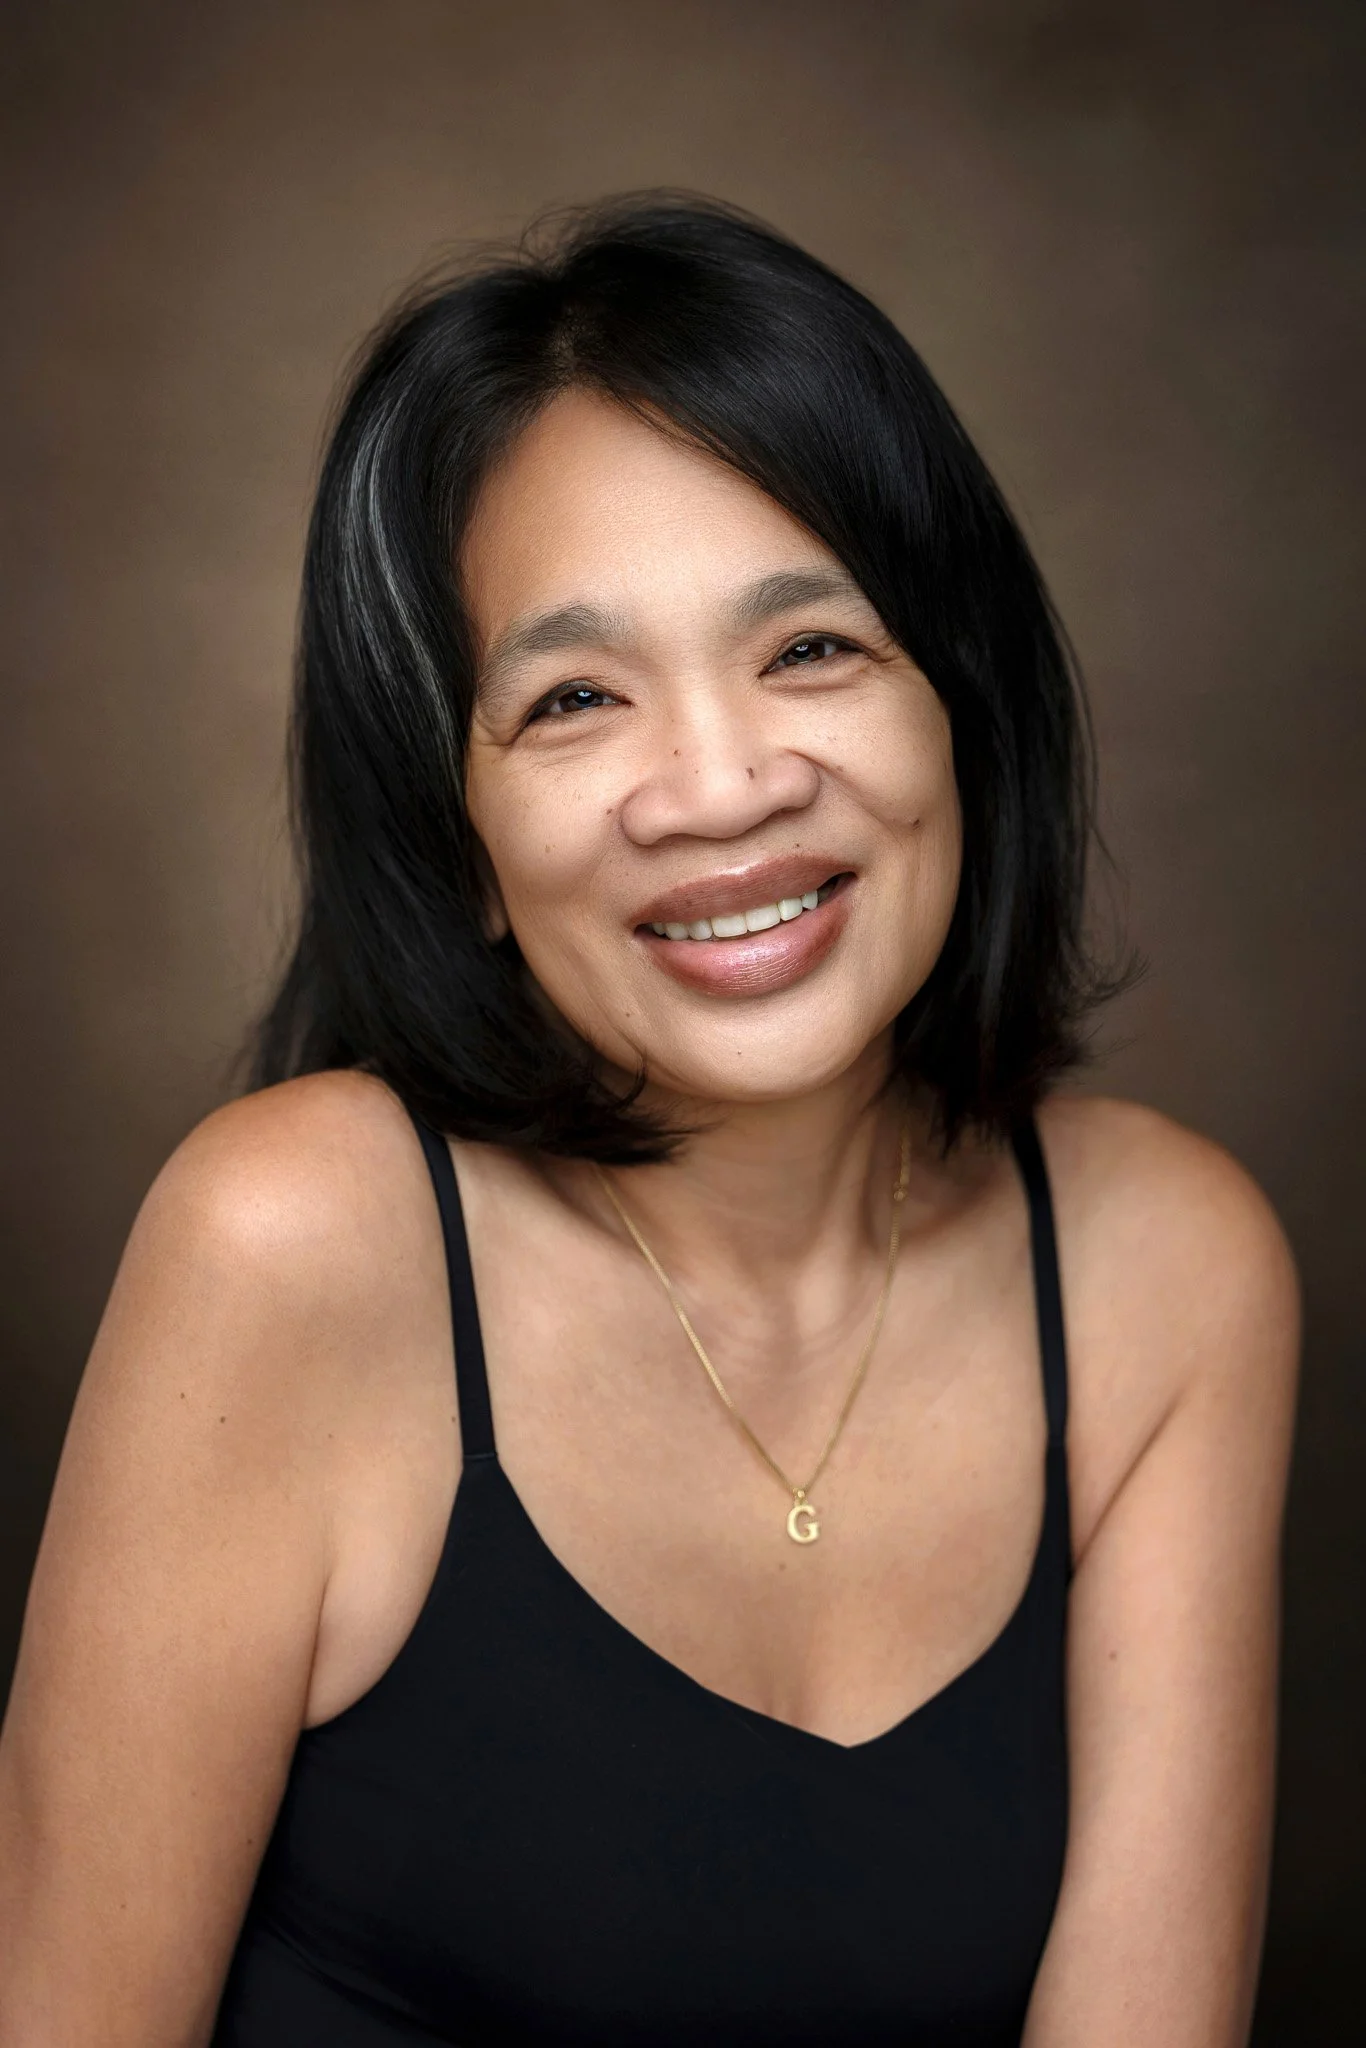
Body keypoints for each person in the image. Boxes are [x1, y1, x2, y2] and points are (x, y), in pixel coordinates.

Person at [0, 196, 1298, 2046]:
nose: (723, 787)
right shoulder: (286, 1237)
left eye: (812, 651)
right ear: (455, 842)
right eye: (576, 696)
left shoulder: (1166, 1269)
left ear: (964, 712)